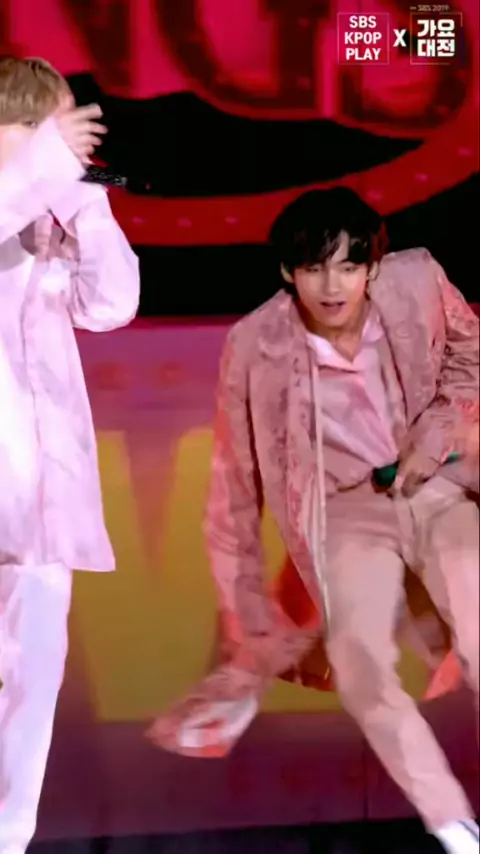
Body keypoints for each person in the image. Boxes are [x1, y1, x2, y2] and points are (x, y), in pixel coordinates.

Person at [149, 188, 479, 854]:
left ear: (372, 267)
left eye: (348, 267)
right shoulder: (256, 344)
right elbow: (235, 486)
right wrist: (251, 621)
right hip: (344, 511)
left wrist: (437, 431)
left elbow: (469, 354)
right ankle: (453, 825)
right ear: (287, 272)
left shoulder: (417, 280)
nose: (332, 286)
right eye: (314, 269)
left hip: (433, 486)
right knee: (359, 666)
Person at [0, 56, 140, 854]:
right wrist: (46, 168)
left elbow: (112, 303)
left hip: (43, 503)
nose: (57, 148)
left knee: (34, 684)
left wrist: (86, 203)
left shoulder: (50, 207)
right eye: (38, 131)